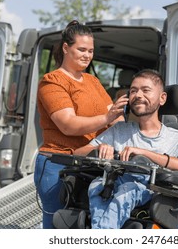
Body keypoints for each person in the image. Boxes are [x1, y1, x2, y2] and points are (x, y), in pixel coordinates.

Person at [34, 20, 126, 228]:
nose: (87, 55)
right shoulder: (52, 81)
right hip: (58, 165)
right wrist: (107, 118)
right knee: (57, 226)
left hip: (89, 163)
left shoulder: (92, 81)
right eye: (81, 49)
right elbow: (68, 124)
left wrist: (118, 127)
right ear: (66, 48)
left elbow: (115, 116)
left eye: (91, 51)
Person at [74, 69, 178, 229]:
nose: (138, 95)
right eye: (133, 91)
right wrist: (99, 148)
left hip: (156, 193)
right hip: (113, 185)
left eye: (145, 90)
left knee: (129, 189)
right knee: (97, 184)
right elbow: (77, 153)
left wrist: (144, 153)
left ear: (162, 98)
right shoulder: (119, 130)